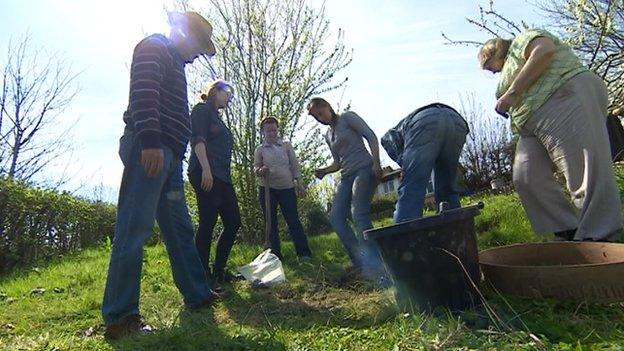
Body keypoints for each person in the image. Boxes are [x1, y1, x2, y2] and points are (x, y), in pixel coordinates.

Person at [102, 11, 218, 340]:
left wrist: (174, 153)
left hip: (170, 158)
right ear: (185, 33)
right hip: (150, 149)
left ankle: (197, 293)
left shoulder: (177, 64)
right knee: (135, 227)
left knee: (180, 228)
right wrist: (151, 141)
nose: (198, 56)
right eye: (200, 46)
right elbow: (143, 94)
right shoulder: (154, 47)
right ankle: (120, 316)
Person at [478, 28, 623, 242]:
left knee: (582, 170)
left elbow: (544, 51)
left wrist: (512, 93)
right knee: (527, 176)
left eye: (488, 65)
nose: (490, 72)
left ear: (494, 51)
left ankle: (600, 238)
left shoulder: (521, 41)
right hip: (531, 120)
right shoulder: (510, 65)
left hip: (561, 96)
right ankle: (568, 228)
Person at [307, 97, 383, 279]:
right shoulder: (328, 135)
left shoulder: (348, 118)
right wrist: (324, 171)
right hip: (347, 175)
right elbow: (338, 163)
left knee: (358, 214)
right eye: (316, 117)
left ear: (327, 106)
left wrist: (377, 163)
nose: (320, 118)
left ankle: (377, 265)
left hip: (364, 169)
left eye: (320, 113)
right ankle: (360, 262)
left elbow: (370, 136)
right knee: (335, 217)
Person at [188, 80, 241, 289]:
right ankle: (202, 276)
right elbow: (198, 140)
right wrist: (206, 169)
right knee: (208, 222)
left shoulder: (219, 119)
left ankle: (219, 271)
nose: (230, 98)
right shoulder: (202, 110)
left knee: (233, 221)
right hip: (205, 172)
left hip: (223, 177)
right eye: (228, 93)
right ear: (215, 91)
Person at [381, 103, 469, 222]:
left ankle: (404, 237)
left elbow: (388, 141)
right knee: (447, 188)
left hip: (425, 122)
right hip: (457, 121)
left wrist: (405, 168)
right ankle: (455, 234)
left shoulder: (390, 137)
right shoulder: (406, 134)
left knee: (411, 190)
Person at [253, 116, 312, 261]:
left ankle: (303, 253)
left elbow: (294, 165)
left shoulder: (286, 145)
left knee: (293, 220)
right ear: (263, 132)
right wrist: (260, 170)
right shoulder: (260, 150)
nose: (272, 133)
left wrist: (300, 183)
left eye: (274, 130)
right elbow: (255, 168)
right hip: (267, 190)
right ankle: (276, 256)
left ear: (277, 130)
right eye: (268, 131)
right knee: (270, 222)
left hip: (287, 188)